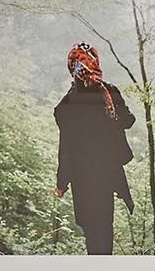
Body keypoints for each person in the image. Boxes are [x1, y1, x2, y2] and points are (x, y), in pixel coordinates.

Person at [53, 42, 136, 254]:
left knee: (91, 229)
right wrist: (112, 117)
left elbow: (67, 149)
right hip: (107, 172)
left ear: (72, 68)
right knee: (104, 225)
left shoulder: (67, 105)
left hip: (83, 176)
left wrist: (61, 183)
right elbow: (128, 120)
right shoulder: (109, 92)